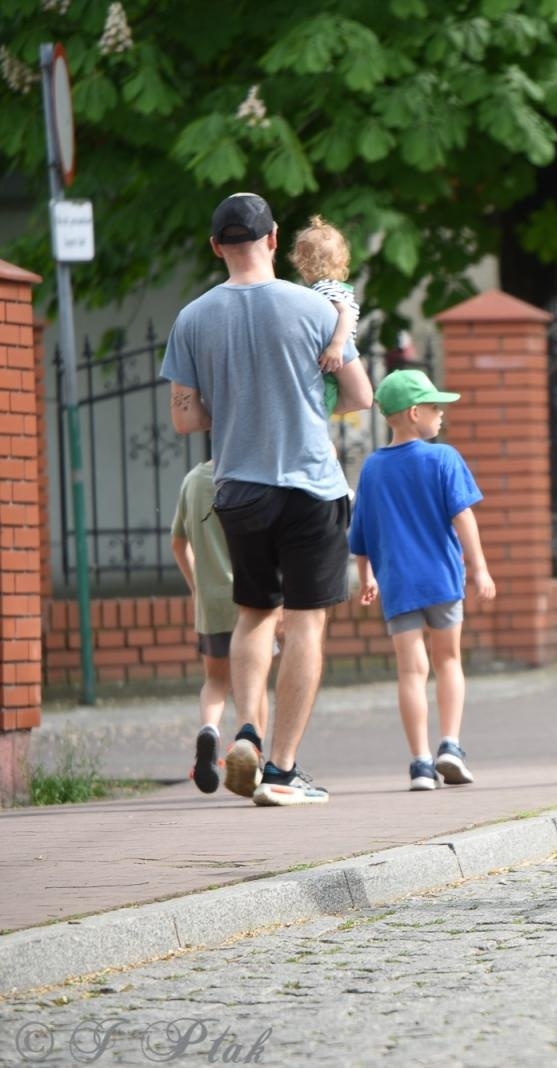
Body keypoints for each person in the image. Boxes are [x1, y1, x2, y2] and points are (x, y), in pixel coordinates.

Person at [161, 192, 374, 807]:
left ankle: (246, 729)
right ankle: (282, 771)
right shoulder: (315, 307)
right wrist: (307, 396)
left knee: (254, 611)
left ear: (215, 247)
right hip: (310, 484)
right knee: (306, 623)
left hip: (239, 488)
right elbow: (359, 395)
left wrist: (234, 400)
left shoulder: (192, 318)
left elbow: (185, 419)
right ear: (275, 239)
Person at [349, 370, 496, 790]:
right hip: (442, 578)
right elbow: (463, 517)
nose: (441, 415)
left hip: (398, 584)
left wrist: (366, 577)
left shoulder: (373, 469)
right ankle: (451, 745)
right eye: (435, 407)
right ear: (415, 413)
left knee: (410, 672)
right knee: (448, 661)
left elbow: (361, 535)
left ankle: (420, 763)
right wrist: (480, 567)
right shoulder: (444, 458)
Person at [169, 458, 272, 794]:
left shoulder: (193, 480)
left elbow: (178, 543)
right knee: (254, 684)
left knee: (215, 680)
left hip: (210, 601)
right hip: (251, 598)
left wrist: (196, 584)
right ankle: (253, 758)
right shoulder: (255, 473)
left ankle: (209, 731)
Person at [289, 215, 360, 415]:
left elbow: (346, 314)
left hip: (330, 362)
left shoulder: (324, 288)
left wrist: (336, 347)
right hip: (335, 361)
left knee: (316, 411)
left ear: (302, 263)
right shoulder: (338, 288)